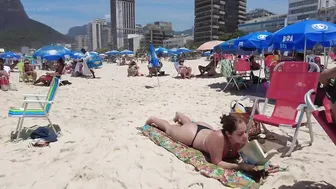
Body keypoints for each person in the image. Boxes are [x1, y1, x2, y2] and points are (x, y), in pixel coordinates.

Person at [145, 113, 255, 171]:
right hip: (193, 135)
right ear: (228, 134)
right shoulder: (219, 138)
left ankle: (181, 116)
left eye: (245, 131)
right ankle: (153, 119)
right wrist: (239, 166)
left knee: (189, 123)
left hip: (206, 129)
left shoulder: (242, 138)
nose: (245, 136)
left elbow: (251, 155)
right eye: (240, 134)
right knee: (169, 129)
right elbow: (217, 162)